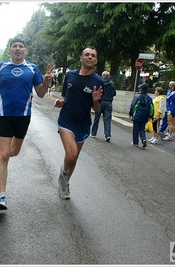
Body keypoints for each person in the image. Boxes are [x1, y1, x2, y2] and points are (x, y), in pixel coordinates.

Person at [0, 37, 54, 210]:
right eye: (14, 46)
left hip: (23, 116)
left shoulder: (32, 69)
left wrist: (47, 81)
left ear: (25, 50)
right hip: (3, 115)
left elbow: (40, 94)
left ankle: (1, 161)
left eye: (21, 46)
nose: (18, 49)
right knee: (4, 155)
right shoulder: (1, 67)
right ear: (10, 49)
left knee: (13, 152)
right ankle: (1, 197)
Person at [53, 46, 103, 199]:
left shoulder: (98, 81)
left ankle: (64, 182)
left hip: (83, 124)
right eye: (87, 55)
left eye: (93, 55)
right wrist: (61, 102)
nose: (89, 57)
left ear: (96, 61)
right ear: (81, 58)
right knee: (72, 155)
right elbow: (65, 97)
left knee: (72, 159)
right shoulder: (70, 75)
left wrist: (95, 100)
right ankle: (64, 182)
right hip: (66, 120)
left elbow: (97, 108)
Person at [91, 71, 116, 141]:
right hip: (108, 103)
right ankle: (107, 135)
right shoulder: (111, 84)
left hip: (100, 102)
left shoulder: (100, 83)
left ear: (102, 76)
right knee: (107, 120)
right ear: (109, 76)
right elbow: (114, 93)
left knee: (97, 118)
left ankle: (93, 133)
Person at [129, 83, 154, 148]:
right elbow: (151, 107)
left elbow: (133, 106)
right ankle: (143, 139)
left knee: (136, 129)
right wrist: (150, 116)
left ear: (141, 89)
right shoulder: (149, 98)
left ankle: (135, 142)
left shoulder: (137, 96)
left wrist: (130, 113)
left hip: (137, 115)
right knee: (142, 128)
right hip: (145, 116)